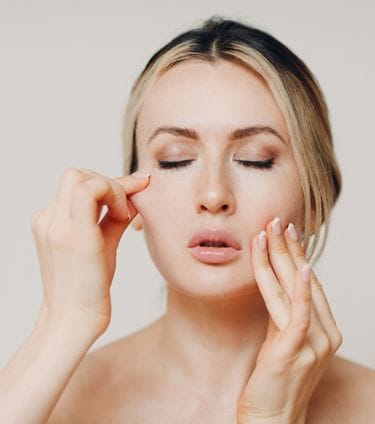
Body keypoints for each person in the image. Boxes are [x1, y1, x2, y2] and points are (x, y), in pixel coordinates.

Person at [1, 16, 374, 423]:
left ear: (315, 199)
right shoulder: (56, 401)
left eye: (256, 160)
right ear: (131, 195)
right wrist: (63, 324)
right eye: (175, 160)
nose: (214, 195)